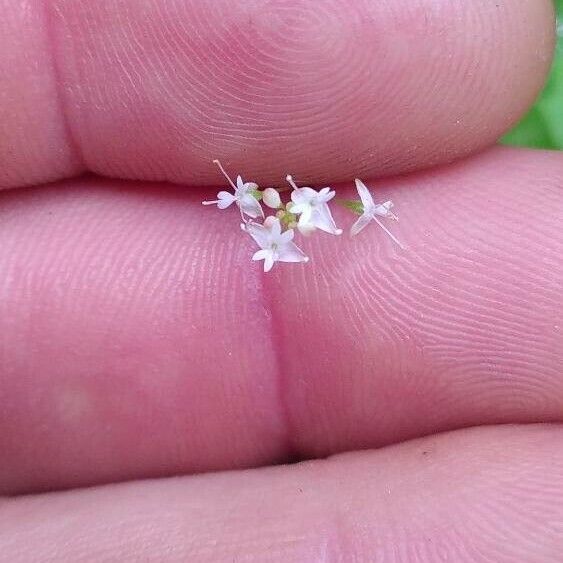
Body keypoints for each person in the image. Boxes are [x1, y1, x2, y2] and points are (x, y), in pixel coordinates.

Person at [1, 1, 562, 560]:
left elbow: (298, 210)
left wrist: (298, 213)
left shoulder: (311, 214)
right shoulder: (283, 220)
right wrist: (278, 214)